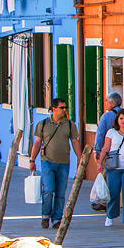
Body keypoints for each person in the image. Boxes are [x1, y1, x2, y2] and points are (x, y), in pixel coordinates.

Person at [28, 98, 81, 230]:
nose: (64, 110)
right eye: (62, 107)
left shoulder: (69, 124)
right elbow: (37, 143)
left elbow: (74, 142)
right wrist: (31, 160)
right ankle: (45, 215)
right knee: (48, 189)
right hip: (47, 161)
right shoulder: (43, 124)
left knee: (60, 192)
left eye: (65, 107)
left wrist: (80, 159)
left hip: (64, 163)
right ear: (54, 109)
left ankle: (57, 218)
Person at [91, 92, 124, 212]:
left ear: (112, 103)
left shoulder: (106, 117)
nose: (105, 104)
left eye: (106, 101)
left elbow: (100, 134)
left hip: (110, 153)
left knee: (109, 177)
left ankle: (106, 202)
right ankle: (121, 202)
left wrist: (97, 151)